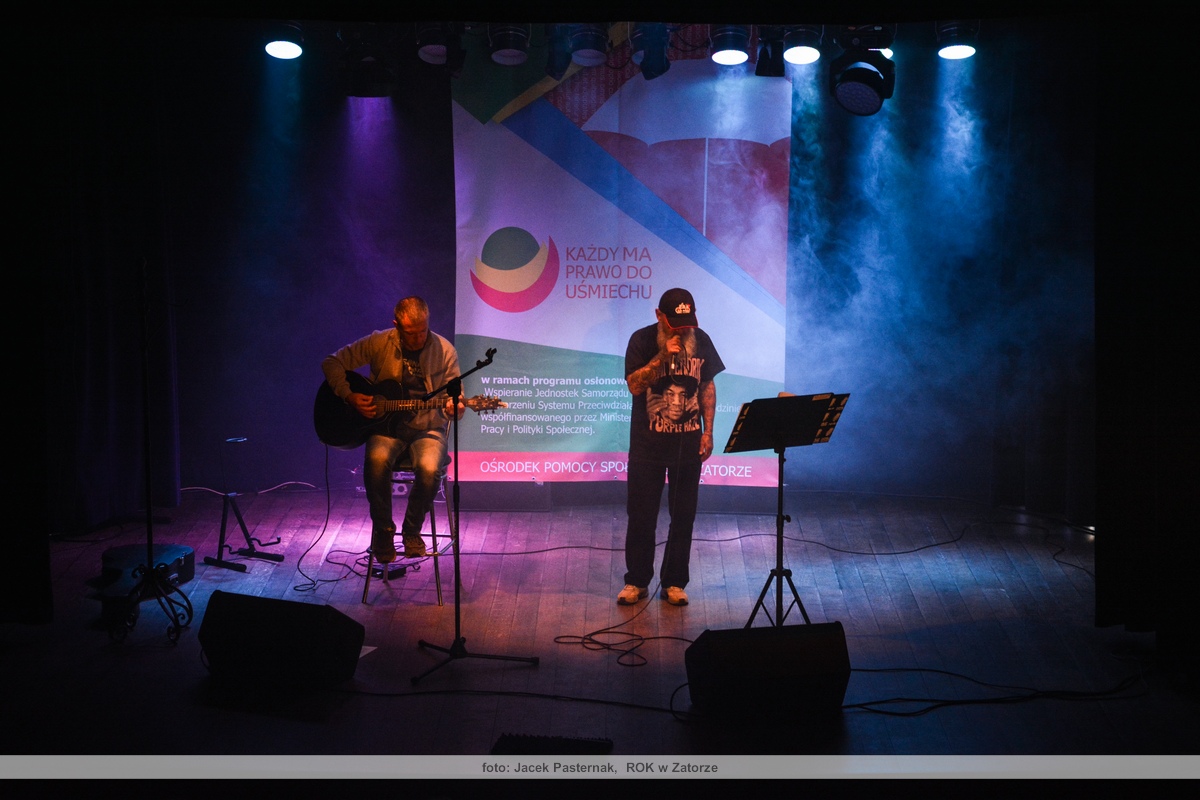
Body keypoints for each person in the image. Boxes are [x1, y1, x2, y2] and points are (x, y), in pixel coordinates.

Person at [321, 296, 463, 564]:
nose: (418, 338)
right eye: (411, 333)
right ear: (396, 325)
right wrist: (349, 395)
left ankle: (411, 531)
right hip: (386, 429)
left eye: (423, 331)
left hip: (427, 428)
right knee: (375, 462)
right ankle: (384, 532)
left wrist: (455, 408)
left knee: (430, 468)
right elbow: (332, 362)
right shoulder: (379, 342)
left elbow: (455, 394)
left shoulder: (445, 350)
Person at [619, 288, 725, 606]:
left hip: (688, 443)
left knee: (683, 516)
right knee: (641, 516)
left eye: (687, 323)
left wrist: (708, 431)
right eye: (675, 323)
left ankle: (675, 582)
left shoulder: (700, 340)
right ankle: (637, 580)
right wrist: (662, 357)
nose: (682, 329)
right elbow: (634, 385)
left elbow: (707, 386)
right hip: (647, 445)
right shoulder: (641, 340)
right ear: (659, 316)